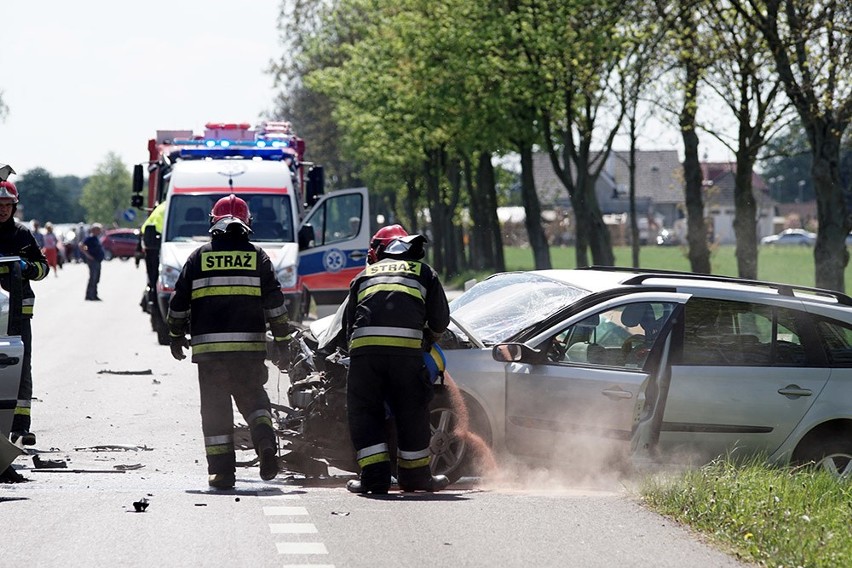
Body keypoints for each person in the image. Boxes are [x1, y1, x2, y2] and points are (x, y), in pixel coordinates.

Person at [166, 194, 293, 490]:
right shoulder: (259, 256)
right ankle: (265, 442)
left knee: (215, 411)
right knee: (254, 400)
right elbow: (275, 304)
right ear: (248, 224)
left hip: (211, 354)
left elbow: (178, 303)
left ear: (213, 223)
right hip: (248, 350)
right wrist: (283, 342)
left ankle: (222, 474)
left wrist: (174, 335)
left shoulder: (198, 257)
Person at [343, 225, 451, 494]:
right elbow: (440, 320)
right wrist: (428, 338)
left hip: (365, 355)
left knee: (365, 414)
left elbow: (348, 326)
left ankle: (374, 480)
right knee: (412, 412)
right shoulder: (425, 273)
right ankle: (416, 479)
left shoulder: (364, 275)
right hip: (406, 356)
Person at [0, 180, 49, 456]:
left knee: (20, 367)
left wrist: (25, 267)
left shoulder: (22, 234)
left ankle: (20, 426)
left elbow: (43, 268)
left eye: (8, 205)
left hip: (19, 313)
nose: (3, 211)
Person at [139, 202, 166, 312]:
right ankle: (151, 299)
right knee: (155, 279)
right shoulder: (166, 208)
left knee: (153, 279)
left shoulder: (163, 206)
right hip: (157, 247)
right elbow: (147, 229)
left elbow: (143, 230)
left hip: (155, 245)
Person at [80, 223, 104, 301]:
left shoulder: (96, 238)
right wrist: (88, 255)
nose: (100, 231)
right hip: (93, 261)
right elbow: (81, 245)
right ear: (94, 230)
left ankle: (94, 294)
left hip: (98, 260)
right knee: (93, 278)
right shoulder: (90, 238)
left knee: (96, 278)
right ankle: (89, 295)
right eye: (99, 230)